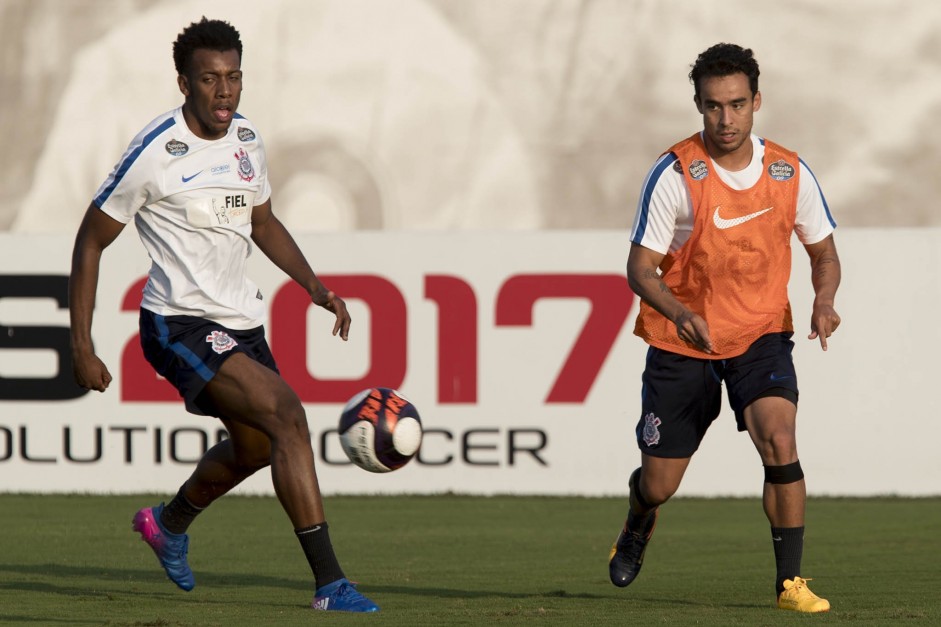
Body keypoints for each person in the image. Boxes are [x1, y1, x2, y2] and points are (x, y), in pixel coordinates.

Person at [68, 17, 378, 613]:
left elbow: (261, 222)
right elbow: (89, 239)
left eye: (233, 77)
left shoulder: (247, 140)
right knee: (289, 416)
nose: (225, 91)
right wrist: (81, 345)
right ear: (184, 83)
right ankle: (332, 584)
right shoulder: (155, 152)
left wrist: (313, 285)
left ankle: (168, 523)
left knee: (260, 447)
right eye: (210, 79)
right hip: (178, 323)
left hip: (241, 321)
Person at [608, 43, 841, 613]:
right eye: (713, 106)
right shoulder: (675, 173)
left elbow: (824, 253)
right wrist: (683, 313)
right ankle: (640, 519)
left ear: (756, 102)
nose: (726, 119)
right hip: (681, 341)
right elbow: (640, 268)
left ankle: (790, 585)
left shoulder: (788, 171)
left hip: (761, 333)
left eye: (737, 104)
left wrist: (824, 299)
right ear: (698, 105)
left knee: (779, 435)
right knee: (660, 483)